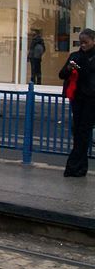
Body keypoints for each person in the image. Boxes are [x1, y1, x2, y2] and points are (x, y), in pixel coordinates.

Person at [58, 28, 95, 177]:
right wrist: (69, 67)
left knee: (83, 131)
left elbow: (87, 73)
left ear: (93, 41)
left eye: (86, 42)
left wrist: (80, 67)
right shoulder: (75, 56)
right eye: (81, 43)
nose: (83, 45)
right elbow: (62, 75)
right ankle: (80, 167)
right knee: (78, 131)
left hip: (91, 99)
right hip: (77, 98)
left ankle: (74, 166)